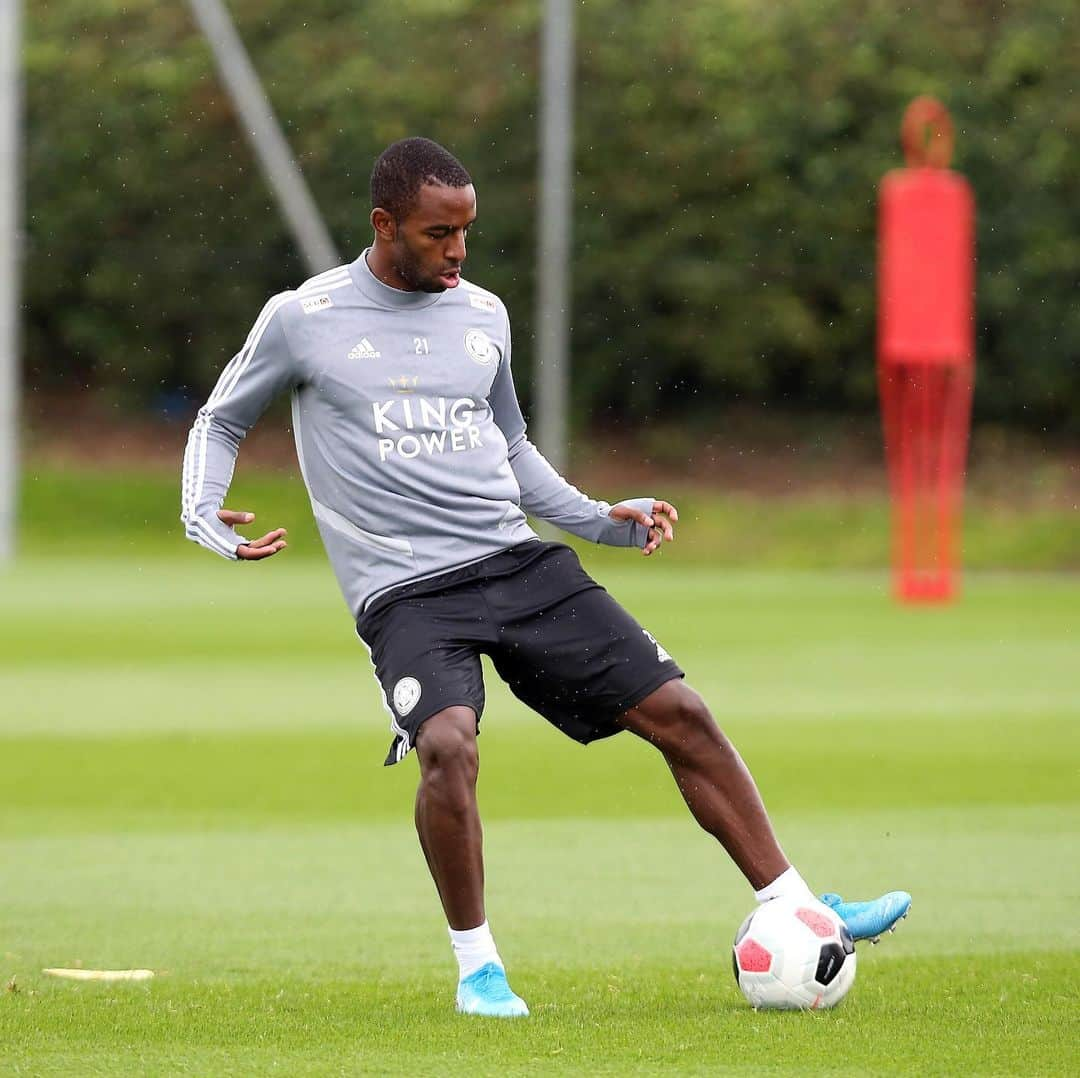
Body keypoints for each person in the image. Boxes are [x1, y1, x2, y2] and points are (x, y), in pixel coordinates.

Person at [181, 137, 910, 1018]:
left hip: (518, 562)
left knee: (679, 712)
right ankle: (478, 970)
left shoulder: (483, 314)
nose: (456, 251)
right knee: (447, 744)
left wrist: (600, 518)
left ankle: (797, 903)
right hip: (407, 593)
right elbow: (220, 421)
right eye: (437, 232)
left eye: (467, 232)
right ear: (384, 225)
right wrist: (204, 514)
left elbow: (511, 449)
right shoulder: (303, 317)